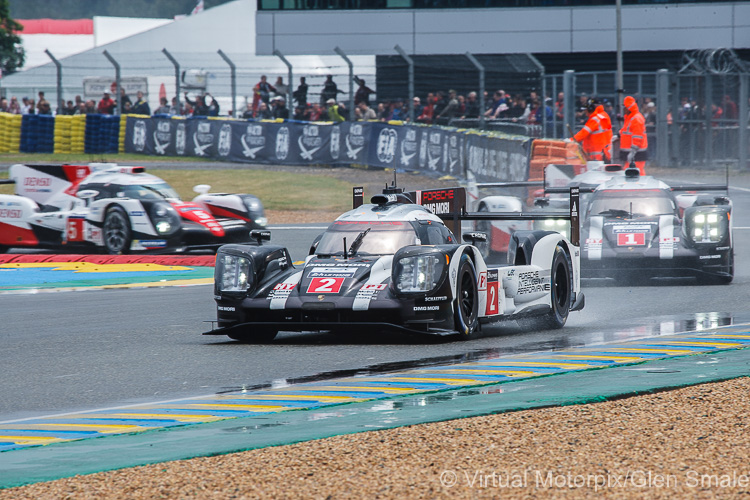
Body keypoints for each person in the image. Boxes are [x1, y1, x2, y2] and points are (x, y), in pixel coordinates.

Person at [570, 97, 612, 162]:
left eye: (586, 109)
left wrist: (570, 141)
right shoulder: (604, 115)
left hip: (597, 156)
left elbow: (583, 133)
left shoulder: (595, 119)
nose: (585, 112)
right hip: (604, 154)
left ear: (591, 108)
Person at [617, 96, 649, 175]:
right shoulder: (630, 118)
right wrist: (618, 135)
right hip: (632, 152)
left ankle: (641, 186)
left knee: (637, 172)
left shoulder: (635, 119)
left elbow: (637, 136)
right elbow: (626, 130)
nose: (623, 109)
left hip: (636, 152)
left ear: (628, 108)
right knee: (630, 172)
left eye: (624, 107)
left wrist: (633, 151)